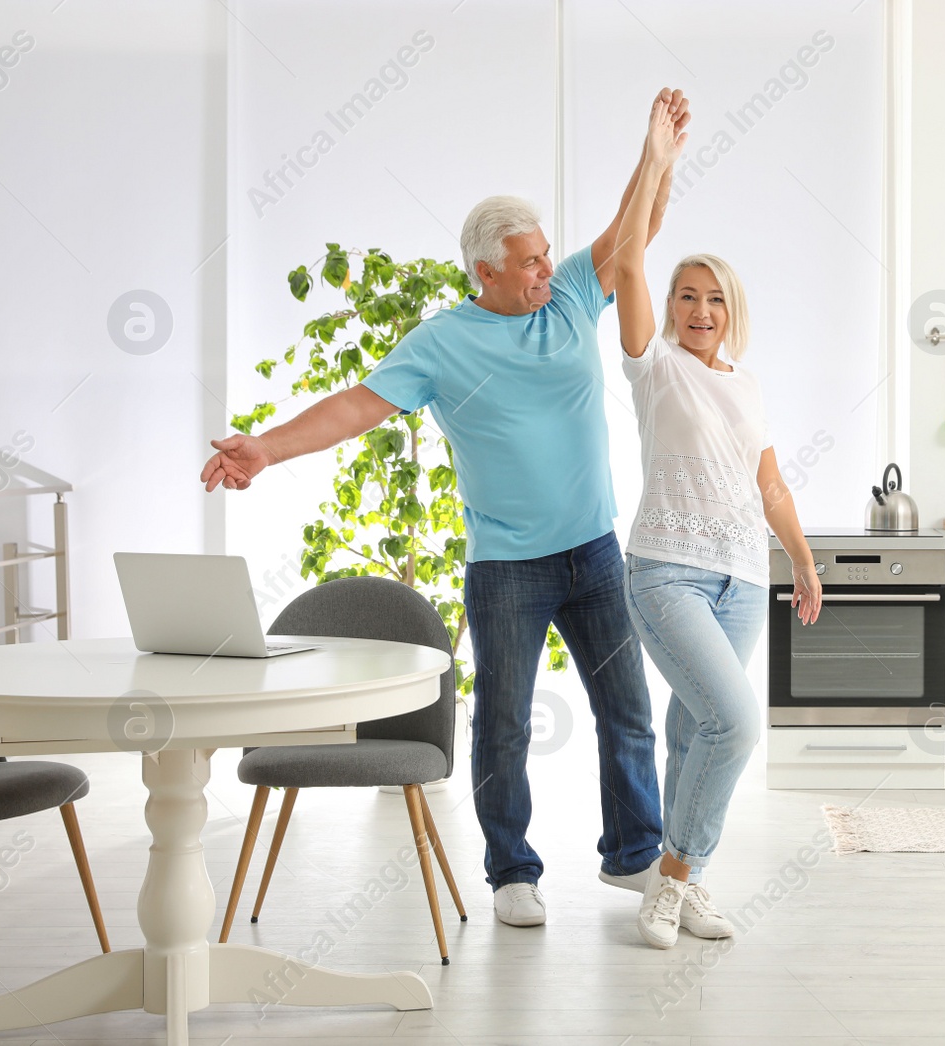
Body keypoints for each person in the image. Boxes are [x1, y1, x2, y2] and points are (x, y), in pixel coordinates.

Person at [198, 89, 692, 929]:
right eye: (528, 262)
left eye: (544, 254)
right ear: (485, 272)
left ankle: (634, 856)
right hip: (506, 568)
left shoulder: (573, 292)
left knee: (629, 714)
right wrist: (266, 447)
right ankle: (511, 872)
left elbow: (631, 234)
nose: (545, 268)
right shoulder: (440, 343)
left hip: (595, 551)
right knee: (502, 725)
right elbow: (356, 406)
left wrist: (657, 159)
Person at [611, 96, 821, 949]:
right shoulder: (654, 367)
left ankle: (687, 881)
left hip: (742, 579)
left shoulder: (745, 384)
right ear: (671, 307)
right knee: (736, 725)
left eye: (715, 300)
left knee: (694, 728)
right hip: (666, 570)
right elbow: (625, 260)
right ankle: (673, 879)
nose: (701, 311)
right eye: (687, 298)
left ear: (733, 311)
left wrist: (802, 562)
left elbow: (770, 486)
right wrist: (655, 159)